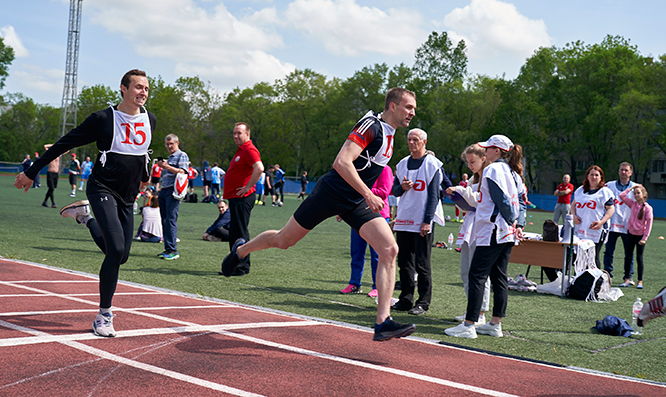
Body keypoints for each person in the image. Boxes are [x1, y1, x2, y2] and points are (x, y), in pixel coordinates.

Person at [220, 88, 418, 341]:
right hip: (331, 194)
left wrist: (365, 196)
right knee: (283, 240)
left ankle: (383, 322)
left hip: (354, 202)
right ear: (392, 106)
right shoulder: (371, 125)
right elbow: (342, 162)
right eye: (409, 107)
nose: (412, 113)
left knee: (389, 249)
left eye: (413, 108)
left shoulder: (391, 134)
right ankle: (241, 250)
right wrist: (369, 194)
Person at [14, 69, 155, 337]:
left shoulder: (151, 119)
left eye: (146, 88)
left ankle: (85, 217)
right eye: (138, 87)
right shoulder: (104, 118)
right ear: (123, 89)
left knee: (122, 255)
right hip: (102, 188)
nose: (143, 92)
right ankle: (104, 315)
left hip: (127, 196)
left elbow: (146, 151)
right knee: (114, 249)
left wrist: (145, 177)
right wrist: (32, 172)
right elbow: (63, 144)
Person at [445, 135, 526, 339]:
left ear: (496, 151)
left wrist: (510, 219)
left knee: (477, 276)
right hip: (504, 233)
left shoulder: (493, 169)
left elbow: (501, 200)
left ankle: (469, 324)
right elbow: (520, 200)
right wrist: (516, 223)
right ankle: (494, 324)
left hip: (493, 230)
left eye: (488, 148)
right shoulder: (512, 172)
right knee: (499, 277)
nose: (485, 152)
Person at [391, 129, 445, 316]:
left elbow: (434, 196)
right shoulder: (402, 164)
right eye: (409, 139)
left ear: (424, 142)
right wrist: (402, 187)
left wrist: (427, 221)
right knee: (404, 262)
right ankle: (405, 299)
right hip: (404, 219)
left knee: (422, 263)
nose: (412, 142)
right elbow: (394, 191)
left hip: (422, 221)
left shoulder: (432, 164)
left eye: (415, 140)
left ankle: (423, 302)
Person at [446, 143, 490, 326]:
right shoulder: (473, 179)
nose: (470, 165)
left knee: (479, 273)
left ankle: (480, 312)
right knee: (466, 271)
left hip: (483, 228)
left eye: (473, 162)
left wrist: (460, 191)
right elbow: (467, 203)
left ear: (483, 159)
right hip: (470, 226)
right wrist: (456, 196)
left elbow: (480, 200)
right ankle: (472, 308)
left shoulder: (488, 178)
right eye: (468, 162)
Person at [340, 165, 392, 298]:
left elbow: (384, 191)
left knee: (376, 254)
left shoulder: (385, 169)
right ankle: (354, 284)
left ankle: (377, 287)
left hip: (378, 215)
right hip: (358, 214)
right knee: (356, 251)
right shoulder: (361, 169)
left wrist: (363, 190)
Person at [220, 122, 264, 276]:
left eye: (239, 133)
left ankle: (241, 267)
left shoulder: (249, 149)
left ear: (248, 134)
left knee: (240, 233)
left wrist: (247, 187)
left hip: (243, 197)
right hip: (236, 197)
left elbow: (259, 168)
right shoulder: (241, 150)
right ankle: (235, 265)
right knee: (235, 232)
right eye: (234, 133)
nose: (236, 136)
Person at [571, 165, 615, 269]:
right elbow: (573, 204)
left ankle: (596, 281)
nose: (594, 177)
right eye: (591, 174)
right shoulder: (580, 190)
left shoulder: (605, 192)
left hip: (596, 229)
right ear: (587, 176)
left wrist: (601, 222)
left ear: (601, 178)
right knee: (579, 256)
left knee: (593, 256)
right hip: (581, 227)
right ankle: (579, 280)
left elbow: (611, 209)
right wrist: (573, 215)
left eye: (596, 175)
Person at [157, 134, 189, 260]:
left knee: (170, 219)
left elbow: (183, 172)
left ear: (177, 143)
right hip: (164, 189)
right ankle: (168, 248)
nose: (169, 146)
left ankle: (173, 249)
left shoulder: (182, 155)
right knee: (164, 220)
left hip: (173, 190)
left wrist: (167, 167)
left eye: (171, 144)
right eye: (167, 144)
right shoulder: (169, 158)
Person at [603, 162, 637, 280]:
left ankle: (628, 276)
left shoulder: (636, 187)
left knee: (629, 253)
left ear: (631, 173)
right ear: (618, 171)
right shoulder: (609, 185)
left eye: (626, 170)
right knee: (608, 251)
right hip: (611, 224)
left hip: (629, 226)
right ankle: (607, 273)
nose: (624, 172)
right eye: (622, 169)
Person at [618, 184, 653, 288]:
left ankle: (640, 281)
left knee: (639, 258)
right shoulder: (632, 204)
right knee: (628, 257)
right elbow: (622, 196)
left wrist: (644, 238)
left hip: (640, 236)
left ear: (644, 194)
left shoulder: (648, 208)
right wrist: (631, 188)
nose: (636, 195)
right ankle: (627, 279)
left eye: (638, 193)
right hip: (630, 234)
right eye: (635, 193)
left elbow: (649, 224)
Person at [41, 144, 61, 208]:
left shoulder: (58, 154)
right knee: (51, 188)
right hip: (50, 173)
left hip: (56, 174)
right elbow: (45, 146)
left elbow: (67, 150)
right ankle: (53, 203)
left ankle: (45, 201)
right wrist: (53, 144)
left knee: (51, 189)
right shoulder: (50, 154)